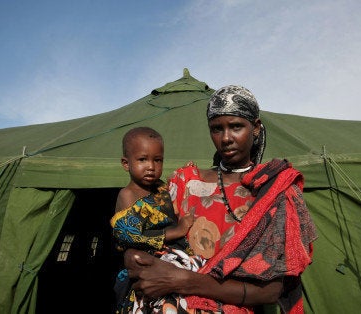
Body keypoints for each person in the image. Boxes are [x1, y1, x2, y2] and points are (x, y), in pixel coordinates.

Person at [123, 85, 318, 313]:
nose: (226, 138)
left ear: (255, 128)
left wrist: (183, 280)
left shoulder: (275, 190)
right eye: (217, 129)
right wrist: (132, 257)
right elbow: (145, 239)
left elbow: (270, 291)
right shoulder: (185, 182)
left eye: (236, 127)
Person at [110, 126, 199, 312]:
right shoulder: (127, 194)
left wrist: (186, 174)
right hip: (144, 266)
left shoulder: (160, 188)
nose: (151, 166)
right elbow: (129, 235)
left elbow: (176, 190)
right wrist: (178, 230)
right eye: (142, 159)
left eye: (157, 160)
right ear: (126, 164)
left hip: (172, 259)